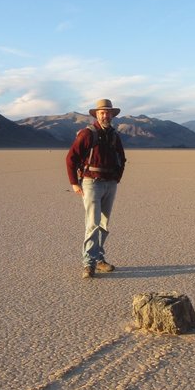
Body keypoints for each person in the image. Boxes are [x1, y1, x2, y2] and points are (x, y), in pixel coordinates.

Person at [66, 99, 127, 279]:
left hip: (110, 184)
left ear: (112, 115)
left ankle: (99, 259)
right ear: (97, 115)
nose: (105, 115)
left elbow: (122, 159)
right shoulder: (87, 134)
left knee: (104, 224)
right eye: (102, 112)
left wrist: (116, 178)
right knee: (92, 223)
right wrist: (74, 183)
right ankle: (89, 264)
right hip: (91, 183)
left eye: (108, 112)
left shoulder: (114, 136)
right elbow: (71, 158)